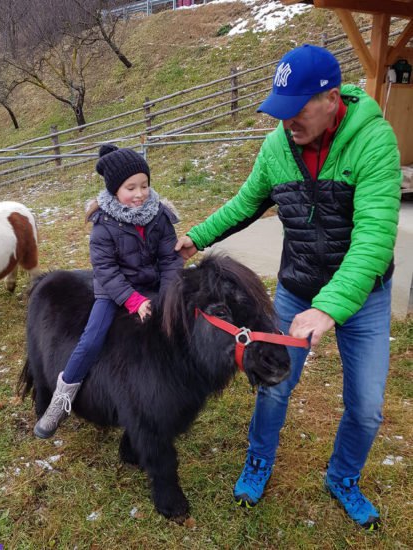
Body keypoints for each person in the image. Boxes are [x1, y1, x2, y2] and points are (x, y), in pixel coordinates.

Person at [175, 44, 401, 530]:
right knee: (274, 385)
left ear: (332, 100)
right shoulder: (278, 145)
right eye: (280, 111)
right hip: (297, 286)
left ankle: (343, 477)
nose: (287, 123)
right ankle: (259, 459)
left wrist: (329, 309)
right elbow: (245, 204)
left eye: (297, 111)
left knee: (366, 407)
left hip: (362, 298)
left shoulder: (374, 143)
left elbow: (374, 241)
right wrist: (195, 237)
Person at [34, 144, 184, 439]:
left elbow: (170, 259)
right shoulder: (103, 224)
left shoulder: (160, 216)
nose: (140, 194)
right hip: (113, 291)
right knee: (91, 341)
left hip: (155, 286)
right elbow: (106, 271)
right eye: (131, 187)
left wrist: (168, 296)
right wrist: (133, 300)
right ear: (116, 190)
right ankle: (61, 401)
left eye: (144, 185)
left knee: (176, 330)